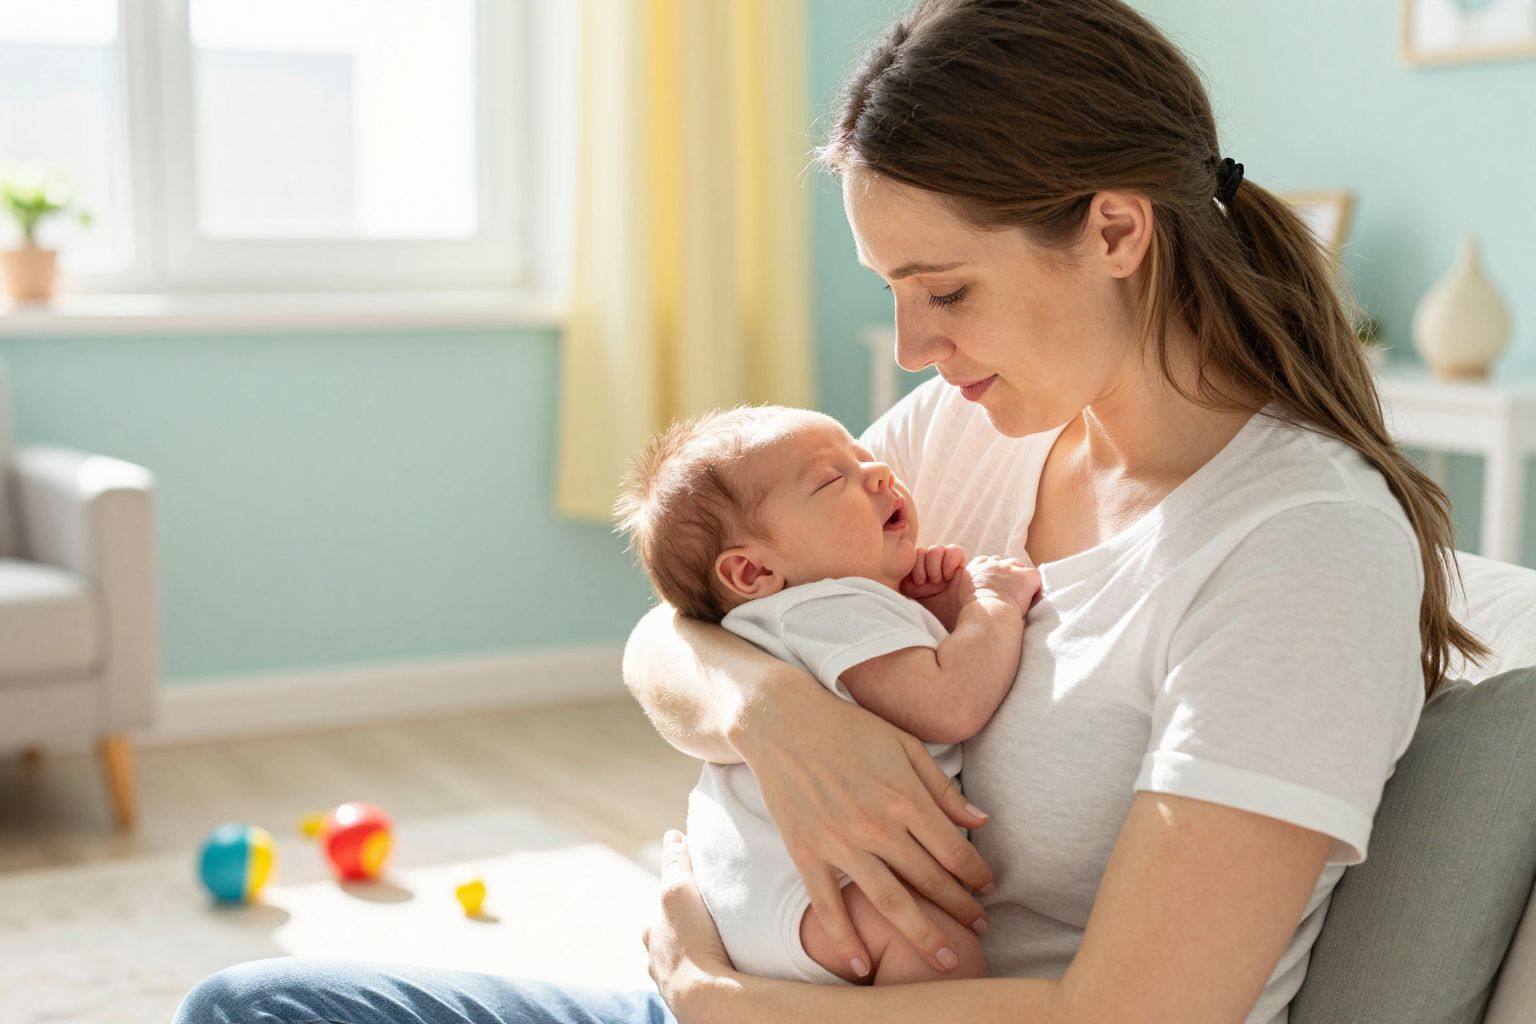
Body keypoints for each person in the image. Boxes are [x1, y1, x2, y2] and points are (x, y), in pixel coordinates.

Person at [171, 0, 1489, 1021]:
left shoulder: (1302, 551)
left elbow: (1140, 1012)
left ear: (1117, 232)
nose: (913, 346)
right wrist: (780, 720)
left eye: (947, 291)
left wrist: (728, 1006)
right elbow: (674, 633)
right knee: (258, 1002)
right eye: (891, 290)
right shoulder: (966, 435)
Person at [612, 403, 1041, 985]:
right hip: (827, 893)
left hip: (751, 900)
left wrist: (927, 610)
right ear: (751, 573)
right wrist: (989, 605)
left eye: (865, 458)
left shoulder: (780, 619)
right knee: (941, 953)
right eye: (835, 478)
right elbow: (951, 704)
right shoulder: (832, 605)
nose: (881, 473)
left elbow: (892, 687)